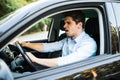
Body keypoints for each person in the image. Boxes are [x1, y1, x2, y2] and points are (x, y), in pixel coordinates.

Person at [17, 10, 97, 68]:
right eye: (65, 23)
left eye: (68, 23)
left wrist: (35, 59)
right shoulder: (68, 39)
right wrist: (25, 44)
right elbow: (47, 47)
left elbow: (65, 62)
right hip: (62, 70)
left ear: (79, 25)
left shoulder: (89, 44)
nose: (64, 26)